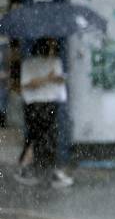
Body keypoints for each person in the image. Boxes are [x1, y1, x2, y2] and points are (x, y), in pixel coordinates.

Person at [14, 38, 73, 188]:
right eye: (50, 47)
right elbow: (28, 85)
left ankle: (47, 170)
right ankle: (27, 168)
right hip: (36, 104)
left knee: (48, 137)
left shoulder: (55, 62)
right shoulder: (29, 64)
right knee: (37, 136)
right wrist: (48, 78)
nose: (52, 50)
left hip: (50, 102)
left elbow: (60, 81)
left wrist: (57, 79)